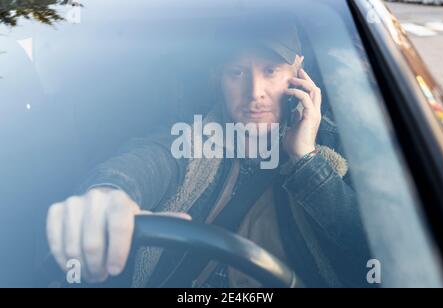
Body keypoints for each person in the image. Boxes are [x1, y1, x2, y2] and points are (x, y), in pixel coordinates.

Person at [46, 14, 371, 288]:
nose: (254, 92)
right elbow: (150, 159)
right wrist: (109, 192)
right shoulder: (193, 136)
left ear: (297, 70)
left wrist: (307, 160)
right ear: (218, 76)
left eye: (270, 71)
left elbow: (373, 252)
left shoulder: (339, 148)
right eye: (237, 72)